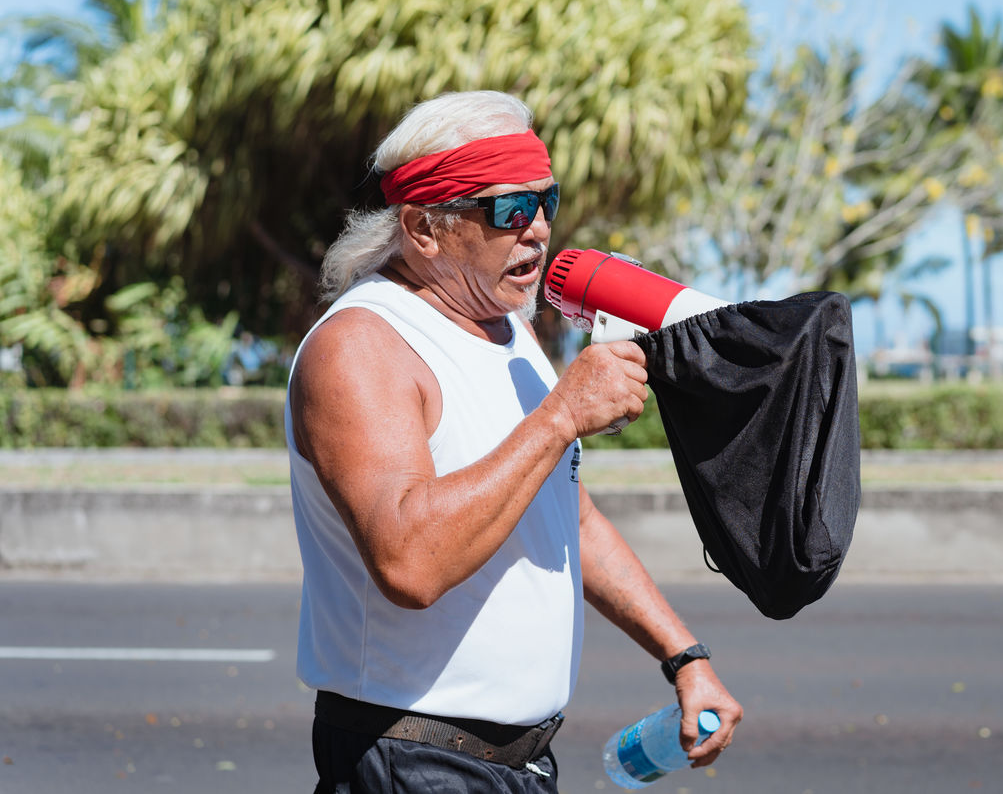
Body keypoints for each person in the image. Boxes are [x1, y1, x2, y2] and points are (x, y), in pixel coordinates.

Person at [286, 90, 742, 792]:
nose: (538, 230)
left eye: (545, 201)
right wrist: (559, 416)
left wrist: (685, 657)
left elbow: (569, 519)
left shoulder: (510, 329)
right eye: (509, 209)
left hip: (515, 762)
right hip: (411, 757)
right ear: (424, 228)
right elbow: (409, 564)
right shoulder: (362, 346)